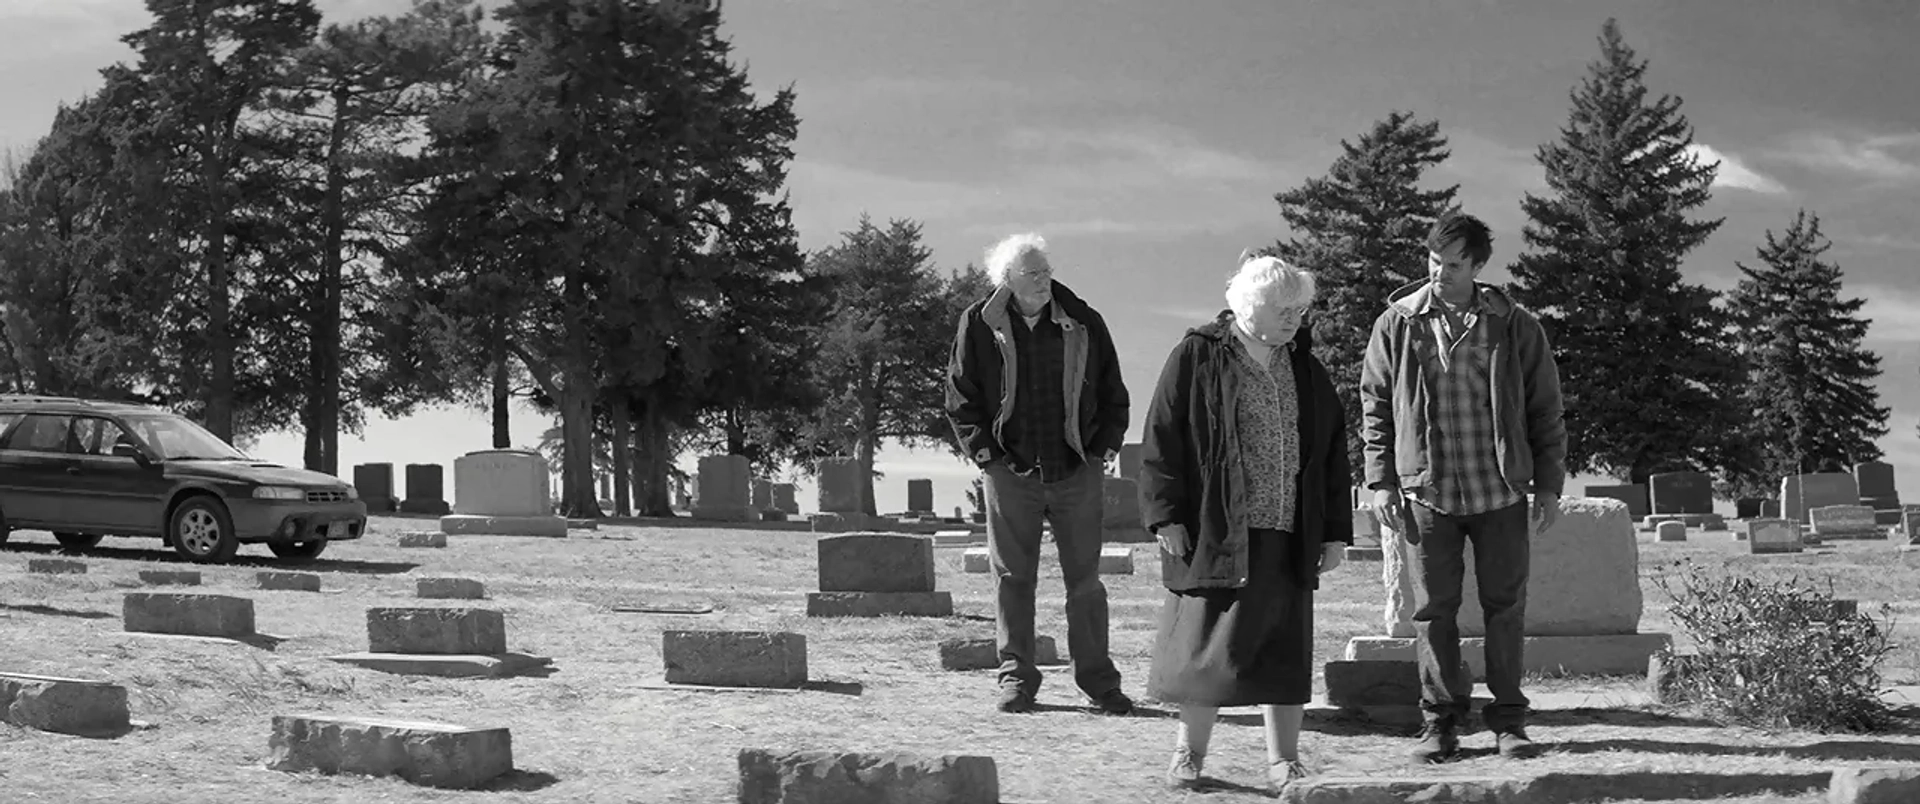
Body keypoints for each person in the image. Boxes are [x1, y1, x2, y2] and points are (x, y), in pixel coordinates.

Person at [1138, 254, 1353, 794]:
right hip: (1217, 527)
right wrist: (1165, 515)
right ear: (1249, 305)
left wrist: (1332, 530)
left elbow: (1331, 452)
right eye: (1284, 309)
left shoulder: (1304, 365)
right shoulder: (1198, 356)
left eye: (1300, 310)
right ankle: (1190, 754)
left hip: (1288, 528)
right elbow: (1162, 437)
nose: (1295, 320)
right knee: (1206, 648)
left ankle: (1284, 760)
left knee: (1284, 647)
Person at [1358, 211, 1567, 763]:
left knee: (1505, 607)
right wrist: (1380, 480)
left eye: (1454, 265)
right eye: (1434, 261)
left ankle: (1509, 722)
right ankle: (1441, 722)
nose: (1440, 273)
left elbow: (1546, 408)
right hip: (1429, 494)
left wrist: (1547, 485)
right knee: (1433, 611)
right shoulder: (1398, 323)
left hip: (1499, 491)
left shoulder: (1515, 324)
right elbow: (1375, 405)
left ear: (1478, 265)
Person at [945, 232, 1134, 716]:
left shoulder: (1084, 321)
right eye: (1033, 273)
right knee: (1012, 579)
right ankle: (1016, 679)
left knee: (1086, 581)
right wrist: (987, 456)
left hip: (1075, 469)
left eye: (1046, 270)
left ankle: (1098, 682)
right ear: (1005, 279)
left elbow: (1114, 392)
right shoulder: (979, 323)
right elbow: (961, 396)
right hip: (1011, 472)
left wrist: (1101, 452)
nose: (1044, 280)